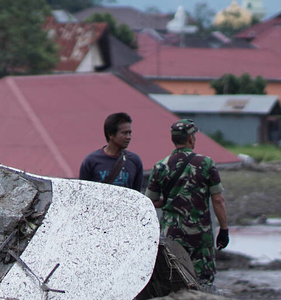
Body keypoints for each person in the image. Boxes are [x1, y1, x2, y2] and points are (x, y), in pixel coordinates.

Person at [145, 119, 230, 289]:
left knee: (175, 278)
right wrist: (224, 229)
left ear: (173, 139)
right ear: (191, 138)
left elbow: (149, 201)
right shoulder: (206, 164)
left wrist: (168, 201)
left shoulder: (161, 166)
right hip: (200, 235)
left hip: (172, 234)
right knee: (203, 281)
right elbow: (218, 199)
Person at [79, 112, 144, 191]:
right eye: (124, 133)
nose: (128, 137)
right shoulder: (91, 161)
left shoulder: (134, 160)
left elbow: (137, 194)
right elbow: (83, 193)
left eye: (130, 133)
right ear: (111, 134)